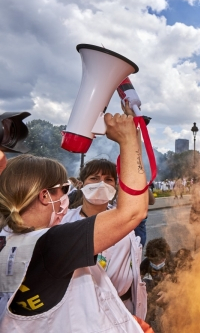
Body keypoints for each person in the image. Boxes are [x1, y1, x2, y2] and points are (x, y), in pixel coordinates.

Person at [0, 113, 149, 331]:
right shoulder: (52, 244)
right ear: (45, 196)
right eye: (65, 190)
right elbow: (133, 212)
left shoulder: (7, 238)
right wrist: (128, 140)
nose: (66, 199)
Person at [61, 158, 147, 320]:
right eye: (94, 178)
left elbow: (139, 201)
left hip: (123, 310)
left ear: (115, 186)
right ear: (81, 184)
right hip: (80, 313)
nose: (102, 184)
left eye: (108, 179)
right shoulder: (66, 222)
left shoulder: (125, 221)